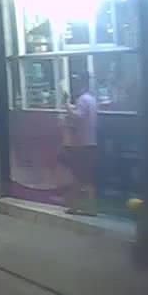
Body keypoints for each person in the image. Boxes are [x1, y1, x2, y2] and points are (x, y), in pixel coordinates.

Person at [62, 73, 99, 215]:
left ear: (82, 84)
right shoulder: (92, 99)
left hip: (82, 144)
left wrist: (66, 105)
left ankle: (80, 207)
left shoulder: (82, 99)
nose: (75, 85)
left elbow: (78, 116)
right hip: (91, 142)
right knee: (86, 177)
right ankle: (86, 207)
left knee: (78, 176)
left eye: (77, 82)